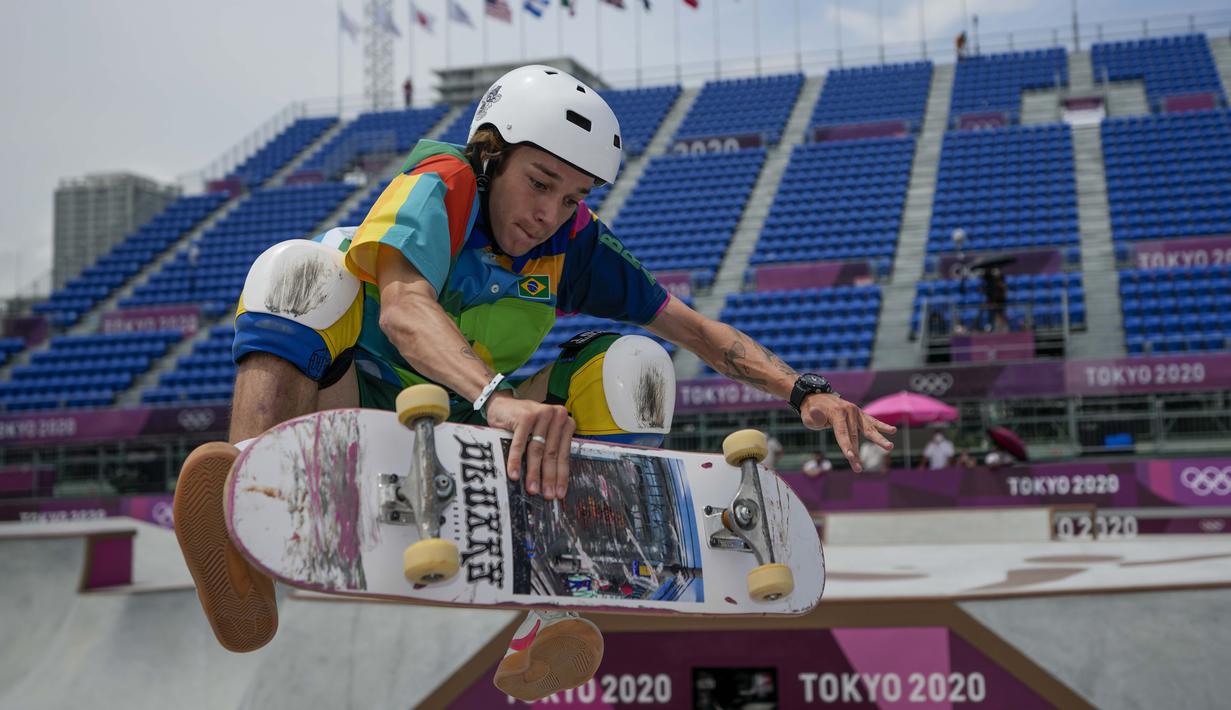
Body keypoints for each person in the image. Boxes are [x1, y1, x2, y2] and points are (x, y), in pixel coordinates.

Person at [171, 65, 896, 702]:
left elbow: (699, 333)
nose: (549, 212)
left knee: (636, 366)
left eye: (573, 195)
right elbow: (403, 309)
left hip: (463, 425)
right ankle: (240, 521)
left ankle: (554, 606)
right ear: (491, 158)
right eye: (539, 183)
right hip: (349, 398)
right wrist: (497, 399)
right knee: (299, 267)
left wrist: (805, 391)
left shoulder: (571, 243)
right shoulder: (441, 186)